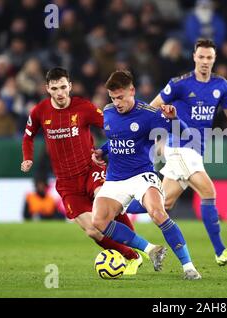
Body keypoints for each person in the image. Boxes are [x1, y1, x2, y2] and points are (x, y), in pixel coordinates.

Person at [21, 67, 151, 276]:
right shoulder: (39, 112)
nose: (60, 92)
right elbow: (28, 136)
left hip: (91, 169)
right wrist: (27, 158)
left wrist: (130, 139)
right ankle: (131, 256)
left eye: (64, 87)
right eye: (55, 88)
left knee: (107, 205)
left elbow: (111, 126)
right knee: (92, 230)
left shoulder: (84, 108)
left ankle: (142, 246)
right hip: (66, 182)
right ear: (48, 89)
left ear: (70, 86)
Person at [131, 38, 227, 266]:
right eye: (201, 57)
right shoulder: (179, 84)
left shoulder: (221, 85)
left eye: (209, 58)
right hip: (182, 147)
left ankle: (115, 205)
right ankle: (221, 252)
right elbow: (153, 106)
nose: (205, 61)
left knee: (164, 204)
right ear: (194, 57)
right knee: (208, 191)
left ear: (214, 59)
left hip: (196, 150)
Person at [91, 70, 201, 280]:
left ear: (132, 91)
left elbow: (186, 134)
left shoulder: (150, 114)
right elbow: (116, 139)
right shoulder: (108, 112)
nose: (117, 103)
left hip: (142, 175)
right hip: (115, 178)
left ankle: (188, 267)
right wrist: (102, 151)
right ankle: (150, 249)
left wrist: (175, 118)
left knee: (158, 214)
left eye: (121, 97)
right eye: (113, 98)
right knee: (98, 221)